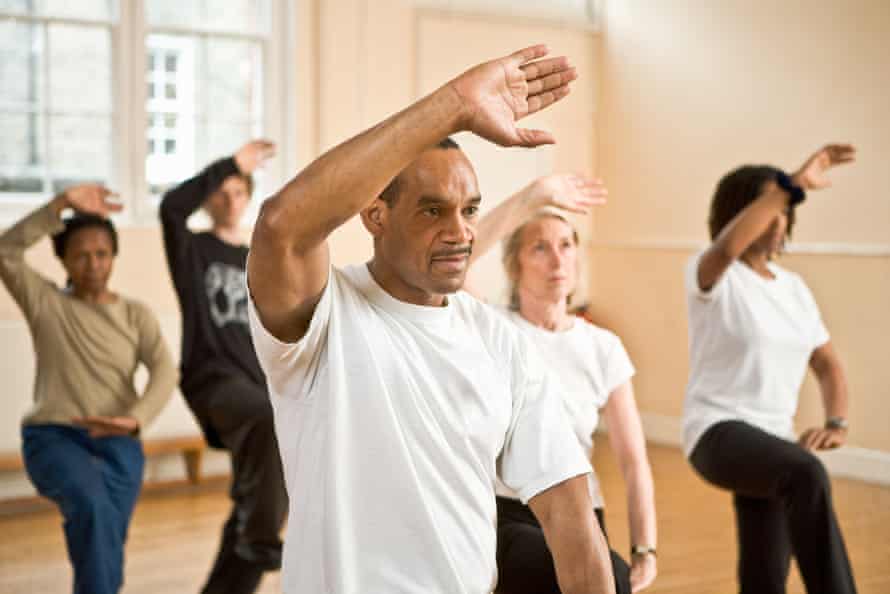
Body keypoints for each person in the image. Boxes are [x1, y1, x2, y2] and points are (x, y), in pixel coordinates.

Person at [246, 45, 617, 594]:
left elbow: (571, 517)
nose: (461, 232)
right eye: (432, 210)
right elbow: (281, 225)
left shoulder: (500, 341)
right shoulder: (324, 317)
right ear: (375, 214)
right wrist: (455, 104)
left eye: (468, 211)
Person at [466, 174, 657, 594]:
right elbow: (460, 257)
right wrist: (529, 198)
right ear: (515, 266)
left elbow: (633, 459)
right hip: (509, 512)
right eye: (540, 247)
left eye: (566, 245)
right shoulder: (494, 328)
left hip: (582, 512)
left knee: (612, 575)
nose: (557, 259)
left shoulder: (603, 347)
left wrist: (646, 547)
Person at [683, 144, 858, 594]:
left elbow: (828, 365)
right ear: (741, 214)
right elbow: (726, 249)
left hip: (772, 440)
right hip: (717, 431)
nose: (780, 221)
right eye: (769, 209)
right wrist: (792, 185)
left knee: (765, 574)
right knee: (806, 474)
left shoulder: (794, 289)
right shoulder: (711, 273)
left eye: (785, 212)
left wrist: (836, 422)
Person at [0, 185, 178, 594]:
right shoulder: (46, 302)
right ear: (62, 259)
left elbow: (165, 369)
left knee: (106, 535)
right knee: (95, 510)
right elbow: (5, 251)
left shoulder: (135, 314)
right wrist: (59, 204)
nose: (93, 264)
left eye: (102, 253)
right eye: (80, 254)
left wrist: (135, 419)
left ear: (114, 257)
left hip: (119, 440)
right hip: (54, 437)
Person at [159, 140, 287, 594]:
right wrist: (231, 164)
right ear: (209, 197)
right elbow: (171, 208)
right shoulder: (192, 250)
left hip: (258, 384)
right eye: (221, 192)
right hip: (213, 382)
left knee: (260, 493)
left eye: (238, 191)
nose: (229, 201)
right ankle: (261, 541)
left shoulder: (260, 257)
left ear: (249, 197)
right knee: (266, 425)